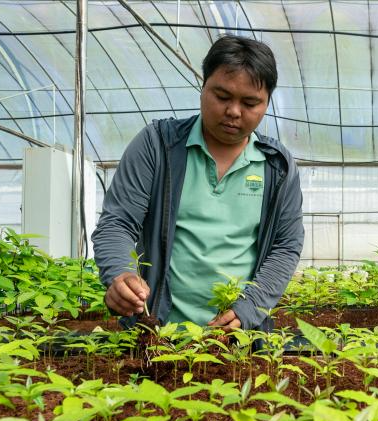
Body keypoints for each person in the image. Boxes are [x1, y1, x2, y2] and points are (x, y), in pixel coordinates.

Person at [92, 36, 303, 331]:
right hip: (156, 332)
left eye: (250, 102)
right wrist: (120, 273)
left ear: (267, 103)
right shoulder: (158, 146)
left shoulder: (276, 166)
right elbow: (118, 221)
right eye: (222, 96)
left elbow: (286, 244)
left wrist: (251, 306)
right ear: (203, 88)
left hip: (237, 337)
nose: (233, 111)